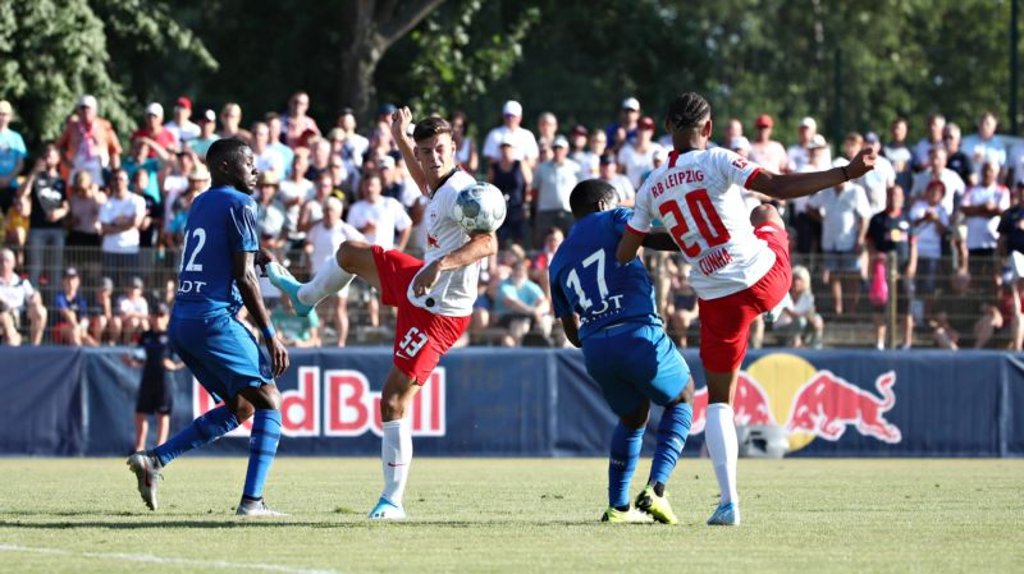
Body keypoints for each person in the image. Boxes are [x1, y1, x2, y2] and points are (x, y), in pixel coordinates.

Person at [616, 92, 875, 526]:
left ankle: (729, 503)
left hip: (717, 300)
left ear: (665, 126)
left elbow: (627, 251)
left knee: (719, 402)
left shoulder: (650, 186)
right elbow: (775, 186)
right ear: (710, 128)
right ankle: (779, 303)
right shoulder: (718, 158)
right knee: (768, 212)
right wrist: (847, 172)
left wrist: (634, 227)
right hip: (762, 276)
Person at [268, 110, 496, 520]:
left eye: (439, 151)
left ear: (454, 150)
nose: (432, 159)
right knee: (349, 252)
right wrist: (399, 138)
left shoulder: (464, 191)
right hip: (420, 284)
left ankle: (392, 501)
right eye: (426, 152)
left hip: (439, 312)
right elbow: (424, 180)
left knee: (392, 401)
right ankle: (304, 299)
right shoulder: (439, 182)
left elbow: (488, 244)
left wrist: (439, 265)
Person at [126, 138, 290, 516]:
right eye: (249, 162)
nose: (256, 169)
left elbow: (221, 251)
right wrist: (270, 335)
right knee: (270, 398)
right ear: (226, 168)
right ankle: (253, 502)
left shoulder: (200, 203)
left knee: (242, 406)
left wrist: (256, 254)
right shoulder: (242, 202)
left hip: (183, 320)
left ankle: (156, 459)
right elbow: (245, 276)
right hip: (213, 317)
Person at [550, 179, 695, 524]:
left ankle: (618, 507)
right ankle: (656, 491)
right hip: (636, 329)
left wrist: (600, 334)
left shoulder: (557, 259)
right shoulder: (613, 217)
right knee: (683, 397)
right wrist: (692, 240)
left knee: (632, 419)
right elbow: (649, 234)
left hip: (596, 346)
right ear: (604, 204)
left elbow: (571, 331)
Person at [124, 303, 184, 453]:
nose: (157, 319)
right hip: (148, 378)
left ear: (167, 317)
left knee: (162, 414)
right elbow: (139, 357)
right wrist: (131, 362)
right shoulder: (146, 336)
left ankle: (160, 449)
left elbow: (185, 357)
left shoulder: (172, 336)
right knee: (141, 413)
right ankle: (139, 448)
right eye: (155, 315)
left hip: (164, 381)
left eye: (161, 315)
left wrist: (174, 366)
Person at [305, 196, 365, 346]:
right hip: (318, 273)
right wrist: (308, 251)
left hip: (339, 273)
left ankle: (341, 342)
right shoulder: (316, 229)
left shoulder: (345, 228)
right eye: (325, 210)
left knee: (339, 307)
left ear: (338, 212)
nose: (328, 213)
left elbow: (362, 243)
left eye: (331, 210)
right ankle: (317, 339)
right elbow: (309, 243)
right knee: (319, 308)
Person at [866, 185, 917, 350]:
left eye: (897, 195)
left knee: (906, 308)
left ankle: (906, 343)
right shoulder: (878, 220)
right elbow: (869, 244)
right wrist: (875, 259)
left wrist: (912, 265)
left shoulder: (908, 219)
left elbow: (913, 245)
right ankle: (879, 342)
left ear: (902, 198)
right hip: (882, 272)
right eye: (891, 195)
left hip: (902, 271)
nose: (894, 198)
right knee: (879, 307)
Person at [19, 143, 68, 288]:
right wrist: (33, 173)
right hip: (37, 228)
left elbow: (67, 205)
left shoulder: (62, 181)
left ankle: (53, 305)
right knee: (35, 267)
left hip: (56, 229)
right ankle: (33, 301)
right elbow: (22, 193)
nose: (47, 158)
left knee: (55, 268)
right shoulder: (36, 178)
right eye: (45, 155)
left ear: (58, 158)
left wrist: (61, 212)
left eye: (50, 155)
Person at [0, 247, 47, 346]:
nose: (4, 264)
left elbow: (33, 297)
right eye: (1, 260)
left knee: (41, 311)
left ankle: (34, 347)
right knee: (4, 317)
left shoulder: (22, 282)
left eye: (7, 261)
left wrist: (35, 299)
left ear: (13, 263)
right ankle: (13, 342)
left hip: (22, 317)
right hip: (5, 317)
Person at [53, 267, 96, 346]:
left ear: (78, 281)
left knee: (89, 340)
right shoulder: (59, 297)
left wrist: (81, 327)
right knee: (72, 320)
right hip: (61, 328)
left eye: (73, 279)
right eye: (68, 279)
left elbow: (85, 317)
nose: (70, 282)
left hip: (79, 329)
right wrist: (77, 328)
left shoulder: (81, 299)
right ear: (63, 281)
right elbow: (65, 313)